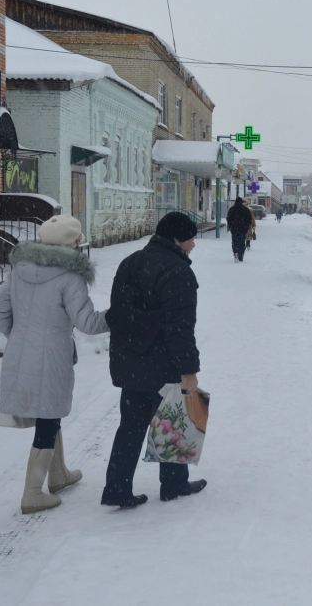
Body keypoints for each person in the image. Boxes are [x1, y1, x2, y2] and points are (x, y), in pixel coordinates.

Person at [0, 215, 108, 514]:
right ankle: (32, 493)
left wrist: (18, 335)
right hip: (52, 353)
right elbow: (87, 323)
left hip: (21, 349)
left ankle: (58, 475)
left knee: (48, 412)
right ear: (74, 243)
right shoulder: (70, 275)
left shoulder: (21, 268)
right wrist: (119, 315)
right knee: (48, 418)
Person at [101, 212, 208, 508]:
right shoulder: (177, 271)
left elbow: (119, 314)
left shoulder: (130, 262)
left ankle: (117, 488)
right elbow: (180, 327)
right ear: (177, 238)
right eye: (191, 238)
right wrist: (189, 369)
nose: (194, 245)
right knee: (172, 421)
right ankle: (174, 484)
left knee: (131, 426)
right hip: (163, 363)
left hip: (130, 358)